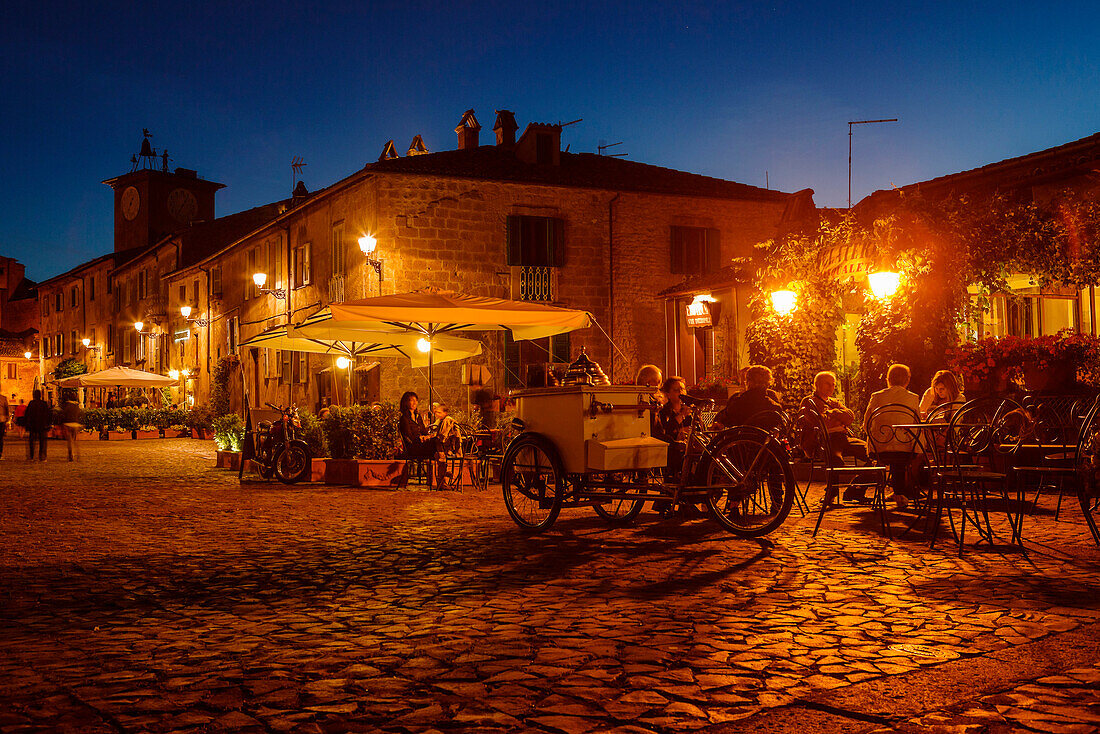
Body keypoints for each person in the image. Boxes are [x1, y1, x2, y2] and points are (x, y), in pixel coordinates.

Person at [799, 371, 868, 502]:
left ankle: (855, 489)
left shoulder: (834, 402)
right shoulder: (809, 401)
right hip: (824, 440)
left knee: (874, 454)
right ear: (817, 385)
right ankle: (831, 492)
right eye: (827, 384)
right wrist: (838, 419)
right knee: (835, 460)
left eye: (833, 384)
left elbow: (850, 416)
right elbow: (819, 422)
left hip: (843, 438)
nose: (831, 387)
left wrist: (833, 413)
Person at [864, 364, 921, 508]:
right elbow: (917, 424)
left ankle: (897, 492)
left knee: (892, 456)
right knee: (900, 456)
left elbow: (866, 424)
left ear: (888, 379)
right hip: (905, 448)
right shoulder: (913, 398)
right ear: (907, 380)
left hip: (880, 448)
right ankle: (901, 492)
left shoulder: (876, 397)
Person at [398, 391, 446, 489]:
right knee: (439, 446)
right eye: (411, 400)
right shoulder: (404, 419)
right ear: (406, 402)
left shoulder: (418, 416)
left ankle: (441, 477)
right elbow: (409, 436)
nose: (414, 403)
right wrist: (422, 438)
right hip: (414, 448)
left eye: (416, 400)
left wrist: (428, 436)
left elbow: (424, 431)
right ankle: (442, 478)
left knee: (439, 441)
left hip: (423, 445)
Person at [712, 365, 783, 431]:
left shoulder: (739, 402)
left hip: (740, 440)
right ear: (768, 383)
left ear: (749, 382)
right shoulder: (774, 407)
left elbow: (726, 419)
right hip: (763, 442)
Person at [655, 376, 692, 476]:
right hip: (673, 451)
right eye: (676, 390)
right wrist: (681, 416)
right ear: (668, 394)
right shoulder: (664, 412)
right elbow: (665, 432)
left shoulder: (690, 410)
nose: (681, 393)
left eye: (683, 389)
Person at [24, 389, 51, 462]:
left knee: (32, 442)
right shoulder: (44, 404)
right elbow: (48, 415)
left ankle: (31, 456)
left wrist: (27, 425)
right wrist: (48, 424)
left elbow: (27, 415)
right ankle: (42, 457)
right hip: (42, 425)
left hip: (33, 425)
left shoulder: (31, 403)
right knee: (42, 442)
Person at [60, 397, 83, 462]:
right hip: (75, 424)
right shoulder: (76, 407)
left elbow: (63, 415)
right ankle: (78, 454)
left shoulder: (67, 406)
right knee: (75, 440)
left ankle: (71, 455)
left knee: (70, 441)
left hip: (68, 424)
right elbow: (80, 414)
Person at [0, 391, 9, 459]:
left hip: (1, 420)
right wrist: (7, 418)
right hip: (1, 420)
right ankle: (0, 453)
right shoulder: (3, 398)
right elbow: (6, 409)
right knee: (0, 438)